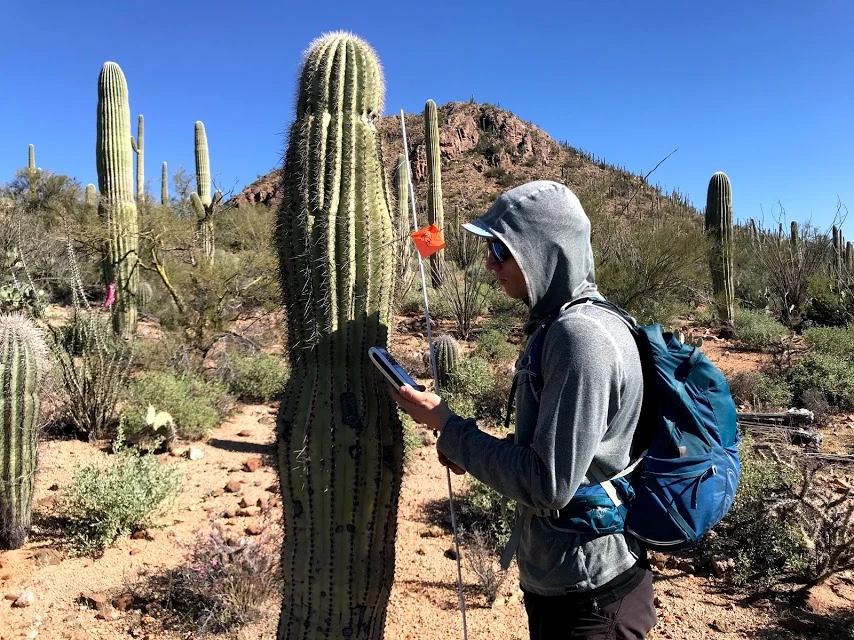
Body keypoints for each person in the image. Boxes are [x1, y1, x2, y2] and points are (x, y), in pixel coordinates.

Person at [389, 180, 658, 639]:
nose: (490, 264)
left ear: (541, 251)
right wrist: (467, 445)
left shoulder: (581, 338)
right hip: (566, 582)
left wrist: (449, 427)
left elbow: (547, 483)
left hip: (591, 596)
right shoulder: (568, 324)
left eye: (500, 250)